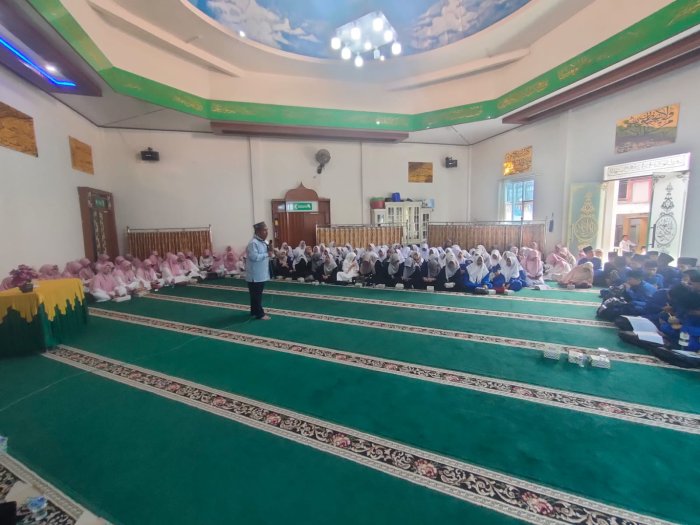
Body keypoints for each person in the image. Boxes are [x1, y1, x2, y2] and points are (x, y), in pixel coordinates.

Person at [246, 222, 273, 320]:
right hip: (255, 275)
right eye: (264, 230)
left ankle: (254, 312)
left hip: (262, 273)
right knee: (256, 295)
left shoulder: (264, 242)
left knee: (256, 295)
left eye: (267, 230)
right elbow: (254, 257)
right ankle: (260, 314)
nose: (267, 232)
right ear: (258, 231)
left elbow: (269, 254)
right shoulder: (253, 243)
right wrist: (267, 254)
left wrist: (272, 252)